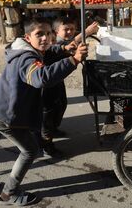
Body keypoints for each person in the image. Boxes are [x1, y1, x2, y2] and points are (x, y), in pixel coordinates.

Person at [0, 17, 88, 206]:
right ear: (28, 37)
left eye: (48, 34)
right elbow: (41, 77)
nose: (45, 38)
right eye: (39, 34)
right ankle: (9, 193)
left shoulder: (22, 48)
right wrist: (73, 60)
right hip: (6, 114)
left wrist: (63, 49)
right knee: (30, 150)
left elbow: (47, 52)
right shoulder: (27, 58)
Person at [39, 17, 99, 157]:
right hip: (47, 85)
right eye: (66, 29)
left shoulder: (63, 42)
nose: (69, 32)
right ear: (55, 32)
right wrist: (86, 32)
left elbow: (69, 45)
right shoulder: (52, 43)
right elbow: (62, 47)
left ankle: (53, 129)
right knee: (48, 113)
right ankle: (46, 145)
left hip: (58, 82)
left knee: (61, 105)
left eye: (72, 29)